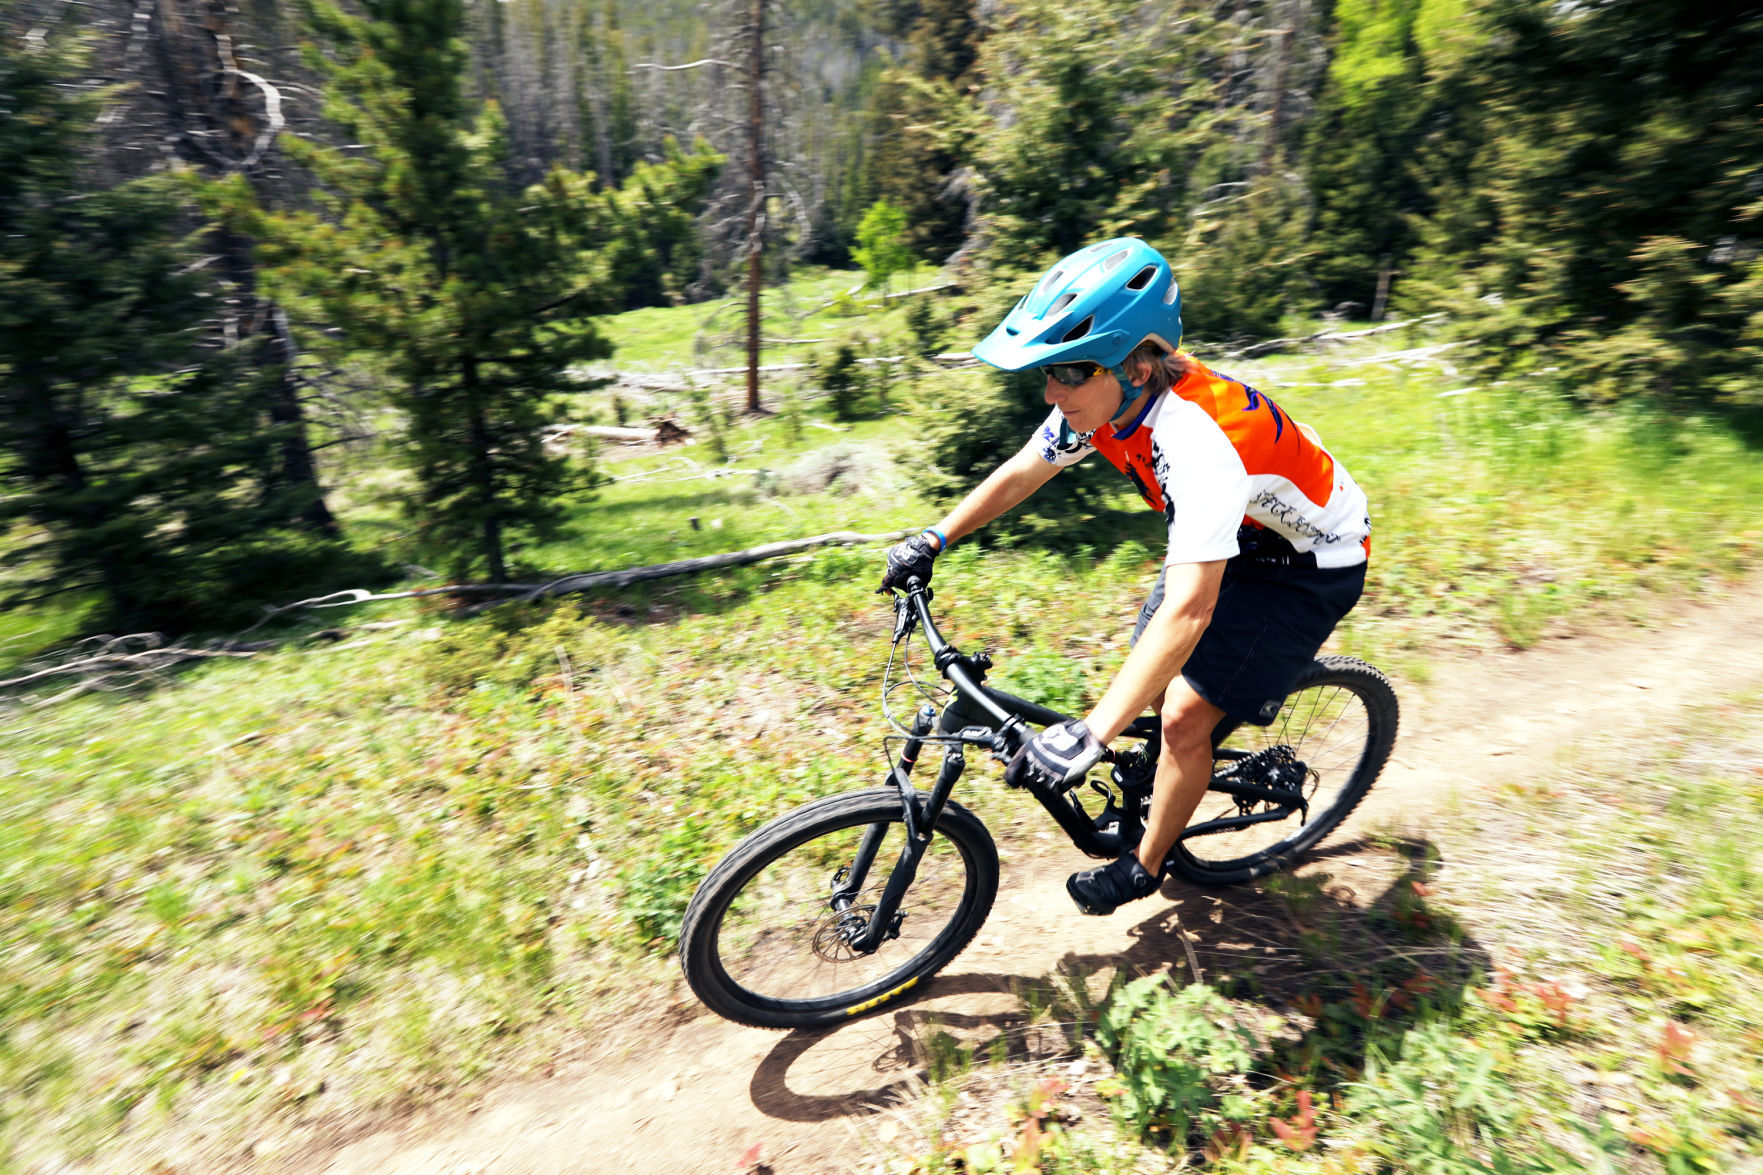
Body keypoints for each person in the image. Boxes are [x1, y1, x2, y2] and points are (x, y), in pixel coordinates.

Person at [878, 237, 1371, 916]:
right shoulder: (1110, 400)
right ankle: (1166, 778)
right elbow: (1029, 465)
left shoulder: (1197, 441)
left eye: (1069, 373)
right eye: (1047, 372)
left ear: (1137, 365)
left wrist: (1091, 734)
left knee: (1181, 716)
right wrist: (935, 537)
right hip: (1237, 535)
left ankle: (1144, 863)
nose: (1052, 392)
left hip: (1306, 564)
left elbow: (1190, 611)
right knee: (1148, 674)